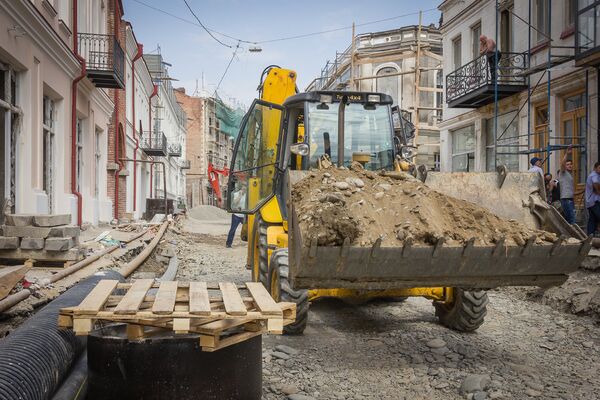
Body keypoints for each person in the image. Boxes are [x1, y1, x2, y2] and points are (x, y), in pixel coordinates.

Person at [558, 145, 575, 225]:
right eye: (567, 164)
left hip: (570, 198)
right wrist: (567, 154)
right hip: (566, 199)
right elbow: (562, 164)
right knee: (572, 219)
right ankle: (574, 236)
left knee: (570, 219)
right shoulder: (563, 173)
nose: (570, 166)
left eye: (571, 164)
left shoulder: (570, 175)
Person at [226, 184, 246, 248]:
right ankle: (228, 244)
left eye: (245, 188)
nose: (244, 189)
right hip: (236, 215)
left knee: (249, 229)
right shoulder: (236, 194)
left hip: (245, 215)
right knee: (233, 229)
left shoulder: (248, 195)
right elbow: (235, 203)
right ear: (241, 188)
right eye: (243, 188)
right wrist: (240, 195)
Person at [585, 162, 600, 235]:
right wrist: (598, 191)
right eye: (599, 168)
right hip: (594, 201)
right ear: (595, 168)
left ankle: (590, 236)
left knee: (592, 219)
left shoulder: (591, 175)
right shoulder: (594, 175)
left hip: (590, 202)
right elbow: (595, 183)